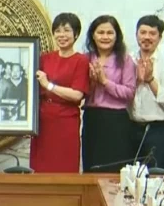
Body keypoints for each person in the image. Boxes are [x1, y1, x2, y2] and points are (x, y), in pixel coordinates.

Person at [32, 13, 90, 173]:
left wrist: (49, 85)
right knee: (40, 168)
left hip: (66, 121)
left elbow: (77, 95)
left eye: (66, 30)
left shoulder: (81, 60)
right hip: (43, 120)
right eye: (57, 31)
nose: (62, 35)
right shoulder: (45, 58)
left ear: (76, 34)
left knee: (64, 166)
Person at [82, 15, 136, 172]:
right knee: (92, 167)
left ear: (116, 36)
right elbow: (80, 92)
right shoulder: (85, 59)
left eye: (110, 33)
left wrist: (105, 82)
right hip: (92, 118)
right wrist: (92, 82)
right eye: (100, 32)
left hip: (116, 120)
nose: (105, 37)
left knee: (113, 169)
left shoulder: (125, 60)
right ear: (93, 35)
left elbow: (129, 92)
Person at [129, 15, 164, 169]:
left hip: (158, 129)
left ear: (160, 37)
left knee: (154, 174)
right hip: (131, 126)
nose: (147, 37)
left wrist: (150, 80)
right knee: (130, 173)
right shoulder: (129, 60)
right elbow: (123, 93)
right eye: (143, 32)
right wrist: (137, 80)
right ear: (136, 35)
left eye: (152, 33)